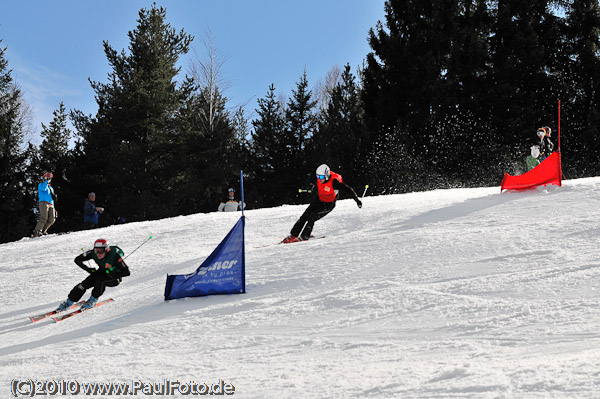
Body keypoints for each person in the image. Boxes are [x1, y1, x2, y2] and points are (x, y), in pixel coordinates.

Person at [283, 164, 362, 243]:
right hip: (319, 200)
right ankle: (293, 235)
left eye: (321, 177)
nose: (319, 179)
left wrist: (357, 200)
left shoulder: (334, 182)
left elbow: (348, 189)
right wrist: (311, 186)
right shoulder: (319, 177)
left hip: (329, 204)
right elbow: (313, 179)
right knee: (304, 216)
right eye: (318, 177)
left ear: (327, 176)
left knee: (312, 217)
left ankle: (304, 237)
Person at [57, 238, 130, 310]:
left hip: (114, 278)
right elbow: (77, 259)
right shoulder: (93, 253)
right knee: (84, 284)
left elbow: (126, 272)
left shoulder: (115, 256)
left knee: (100, 280)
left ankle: (93, 299)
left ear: (107, 250)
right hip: (102, 272)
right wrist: (88, 269)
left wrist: (113, 274)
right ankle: (69, 301)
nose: (98, 253)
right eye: (96, 250)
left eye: (100, 251)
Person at [33, 172, 57, 237]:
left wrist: (54, 207)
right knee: (44, 217)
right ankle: (37, 231)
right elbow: (44, 189)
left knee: (52, 219)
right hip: (44, 202)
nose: (48, 179)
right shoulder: (41, 185)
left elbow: (52, 197)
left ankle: (43, 230)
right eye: (47, 177)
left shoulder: (51, 188)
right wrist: (46, 181)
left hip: (51, 204)